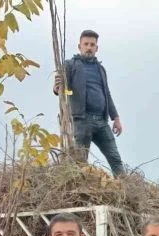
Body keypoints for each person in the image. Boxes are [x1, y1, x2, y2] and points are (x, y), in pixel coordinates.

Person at [53, 29, 125, 177]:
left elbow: (107, 94)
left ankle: (126, 189)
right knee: (80, 161)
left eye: (92, 44)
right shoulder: (70, 65)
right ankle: (79, 192)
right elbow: (63, 89)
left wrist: (116, 118)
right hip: (82, 120)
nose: (89, 47)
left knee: (115, 158)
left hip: (102, 121)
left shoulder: (101, 69)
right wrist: (57, 88)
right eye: (86, 44)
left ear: (96, 48)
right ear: (79, 46)